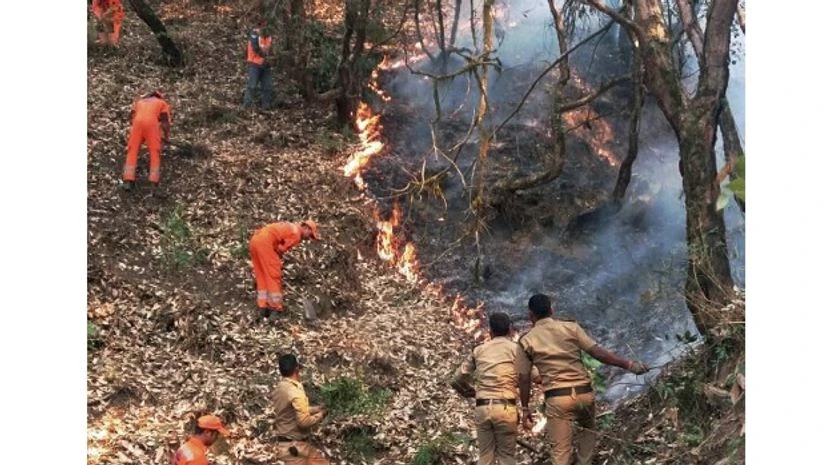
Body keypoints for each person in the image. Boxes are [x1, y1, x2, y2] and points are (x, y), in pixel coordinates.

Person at [516, 293, 650, 465]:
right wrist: (630, 365)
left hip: (558, 399)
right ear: (551, 310)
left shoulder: (526, 341)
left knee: (560, 452)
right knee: (588, 429)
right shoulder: (571, 328)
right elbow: (598, 353)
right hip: (584, 394)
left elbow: (524, 378)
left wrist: (525, 408)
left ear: (530, 316)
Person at [451, 312, 529, 465]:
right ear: (510, 330)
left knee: (486, 457)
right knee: (506, 457)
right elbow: (533, 377)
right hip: (506, 408)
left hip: (483, 408)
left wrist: (471, 392)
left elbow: (456, 380)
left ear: (490, 332)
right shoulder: (517, 349)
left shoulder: (478, 350)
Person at [249, 221, 319, 320]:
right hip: (265, 243)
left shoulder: (291, 226)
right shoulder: (296, 234)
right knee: (273, 275)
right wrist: (278, 258)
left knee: (262, 275)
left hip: (255, 241)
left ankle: (263, 306)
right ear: (306, 228)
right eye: (310, 235)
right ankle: (276, 308)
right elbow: (280, 249)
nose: (308, 238)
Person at [272, 353, 329, 464]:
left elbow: (292, 412)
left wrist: (317, 408)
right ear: (297, 369)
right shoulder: (296, 392)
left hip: (285, 446)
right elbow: (303, 422)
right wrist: (322, 414)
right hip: (296, 449)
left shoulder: (280, 388)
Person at [122, 91, 172, 191]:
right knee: (154, 151)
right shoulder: (162, 103)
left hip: (137, 124)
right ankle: (153, 182)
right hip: (152, 124)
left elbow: (131, 116)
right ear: (159, 97)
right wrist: (166, 136)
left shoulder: (139, 102)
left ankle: (128, 180)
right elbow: (165, 122)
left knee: (132, 150)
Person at [243, 22, 274, 111]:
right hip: (254, 63)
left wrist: (271, 58)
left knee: (267, 87)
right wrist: (267, 57)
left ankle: (266, 107)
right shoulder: (254, 34)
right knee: (252, 86)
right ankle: (246, 107)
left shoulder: (269, 36)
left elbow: (272, 48)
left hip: (265, 65)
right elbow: (255, 48)